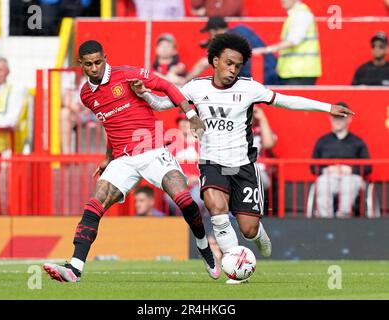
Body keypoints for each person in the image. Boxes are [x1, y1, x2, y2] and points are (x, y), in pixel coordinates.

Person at [129, 33, 353, 284]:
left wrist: (326, 107)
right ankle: (236, 271)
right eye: (228, 63)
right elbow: (161, 105)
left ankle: (258, 235)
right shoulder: (195, 87)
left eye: (237, 65)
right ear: (215, 61)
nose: (233, 70)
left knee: (249, 229)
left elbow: (286, 101)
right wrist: (144, 93)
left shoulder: (249, 88)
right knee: (217, 211)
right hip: (212, 163)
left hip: (243, 167)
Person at [43, 40, 220, 283]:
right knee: (95, 204)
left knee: (184, 199)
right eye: (89, 64)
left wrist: (191, 115)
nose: (94, 68)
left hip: (152, 149)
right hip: (123, 159)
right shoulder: (86, 95)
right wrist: (108, 158)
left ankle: (203, 246)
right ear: (81, 65)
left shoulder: (126, 74)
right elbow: (110, 125)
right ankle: (74, 268)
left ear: (105, 58)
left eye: (98, 62)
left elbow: (167, 85)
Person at [311, 102, 372, 218]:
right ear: (330, 118)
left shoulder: (358, 142)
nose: (337, 121)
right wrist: (326, 170)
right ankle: (325, 219)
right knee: (323, 182)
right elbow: (313, 166)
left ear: (349, 119)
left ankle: (344, 217)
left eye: (341, 118)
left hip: (351, 177)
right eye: (335, 117)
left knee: (348, 183)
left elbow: (368, 167)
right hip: (329, 177)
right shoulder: (322, 141)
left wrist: (350, 170)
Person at [185, 16, 279, 85]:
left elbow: (203, 63)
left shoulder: (227, 41)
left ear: (214, 31)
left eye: (210, 33)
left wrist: (185, 81)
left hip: (257, 79)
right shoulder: (242, 29)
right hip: (273, 72)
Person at [0, 58, 25, 214]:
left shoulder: (14, 90)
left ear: (7, 72)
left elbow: (12, 118)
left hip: (0, 144)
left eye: (0, 70)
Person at [252, 0, 322, 85]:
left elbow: (293, 41)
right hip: (295, 72)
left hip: (300, 73)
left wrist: (266, 50)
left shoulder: (301, 15)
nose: (282, 1)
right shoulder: (296, 15)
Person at [165, 112, 203, 216]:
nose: (183, 124)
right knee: (169, 198)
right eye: (181, 122)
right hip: (179, 183)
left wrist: (197, 178)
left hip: (198, 183)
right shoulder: (172, 144)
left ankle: (199, 224)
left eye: (186, 121)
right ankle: (183, 226)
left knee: (196, 197)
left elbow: (208, 167)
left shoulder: (202, 143)